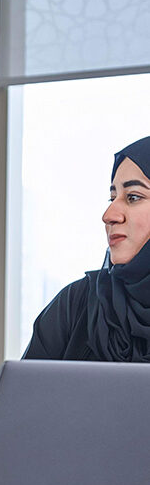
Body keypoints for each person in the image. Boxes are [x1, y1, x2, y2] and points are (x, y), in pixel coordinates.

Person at [24, 136, 150, 361]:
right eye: (111, 198)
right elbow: (20, 396)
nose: (108, 216)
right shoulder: (75, 305)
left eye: (133, 197)